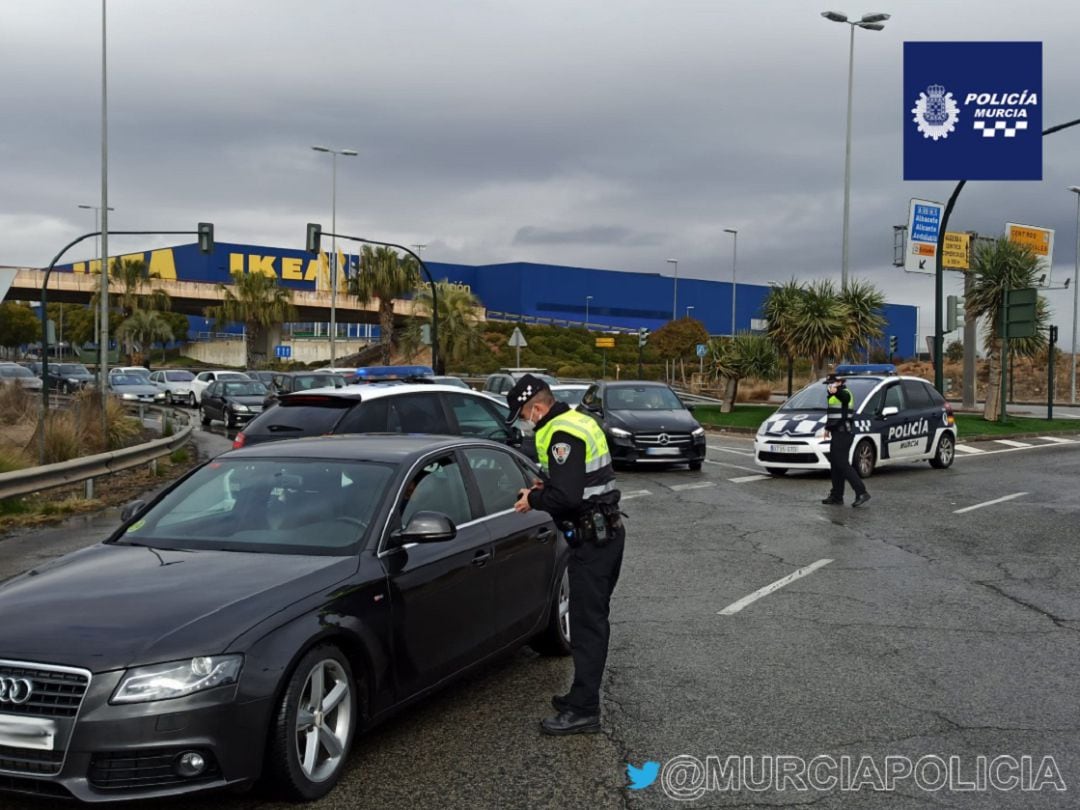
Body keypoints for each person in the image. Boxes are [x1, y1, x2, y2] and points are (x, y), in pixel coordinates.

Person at [506, 374, 624, 735]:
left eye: (525, 416)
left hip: (594, 541)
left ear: (537, 408)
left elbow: (568, 498)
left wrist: (535, 498)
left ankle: (585, 710)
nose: (526, 424)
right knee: (588, 620)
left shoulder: (561, 434)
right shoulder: (579, 420)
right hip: (602, 534)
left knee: (588, 627)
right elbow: (582, 480)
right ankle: (578, 696)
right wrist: (551, 485)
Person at [822, 374, 870, 507]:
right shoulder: (833, 395)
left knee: (842, 464)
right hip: (836, 432)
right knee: (835, 465)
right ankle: (837, 496)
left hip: (844, 433)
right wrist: (828, 427)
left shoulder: (844, 393)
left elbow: (845, 398)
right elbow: (833, 413)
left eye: (832, 383)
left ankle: (861, 492)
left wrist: (836, 391)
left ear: (839, 382)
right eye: (828, 384)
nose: (829, 386)